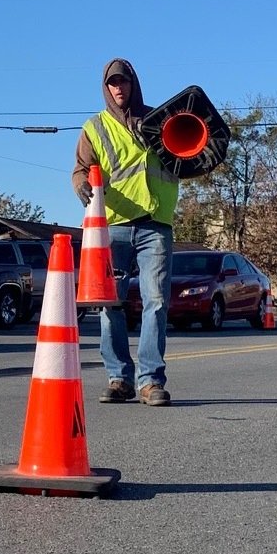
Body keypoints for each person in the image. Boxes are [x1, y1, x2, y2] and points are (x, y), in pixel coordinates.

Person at [72, 58, 178, 406]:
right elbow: (80, 169)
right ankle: (119, 378)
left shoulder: (159, 120)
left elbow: (187, 157)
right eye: (112, 83)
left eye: (124, 82)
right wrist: (82, 184)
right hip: (113, 225)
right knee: (110, 304)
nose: (119, 88)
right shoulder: (95, 128)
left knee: (156, 301)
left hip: (155, 222)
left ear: (134, 84)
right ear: (106, 88)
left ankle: (150, 382)